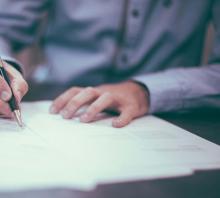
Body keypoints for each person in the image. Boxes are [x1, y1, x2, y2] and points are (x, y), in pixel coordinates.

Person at [0, 0, 220, 128]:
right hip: (56, 102)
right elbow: (4, 27)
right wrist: (4, 69)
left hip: (171, 113)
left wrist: (145, 91)